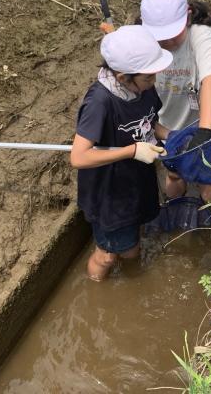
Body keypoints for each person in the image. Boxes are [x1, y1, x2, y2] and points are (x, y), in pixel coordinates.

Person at [70, 25, 172, 281]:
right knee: (107, 255)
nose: (153, 83)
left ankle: (133, 281)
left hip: (137, 181)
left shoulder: (144, 87)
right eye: (148, 78)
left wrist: (172, 135)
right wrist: (131, 151)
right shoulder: (100, 102)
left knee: (131, 246)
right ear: (123, 76)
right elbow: (78, 157)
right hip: (110, 193)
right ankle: (97, 291)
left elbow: (150, 122)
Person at [140, 0, 211, 204]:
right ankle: (175, 211)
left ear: (187, 17)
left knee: (209, 177)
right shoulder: (145, 43)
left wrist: (205, 131)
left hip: (209, 120)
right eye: (160, 36)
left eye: (172, 34)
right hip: (171, 123)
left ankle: (208, 224)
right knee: (174, 173)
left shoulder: (200, 34)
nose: (166, 42)